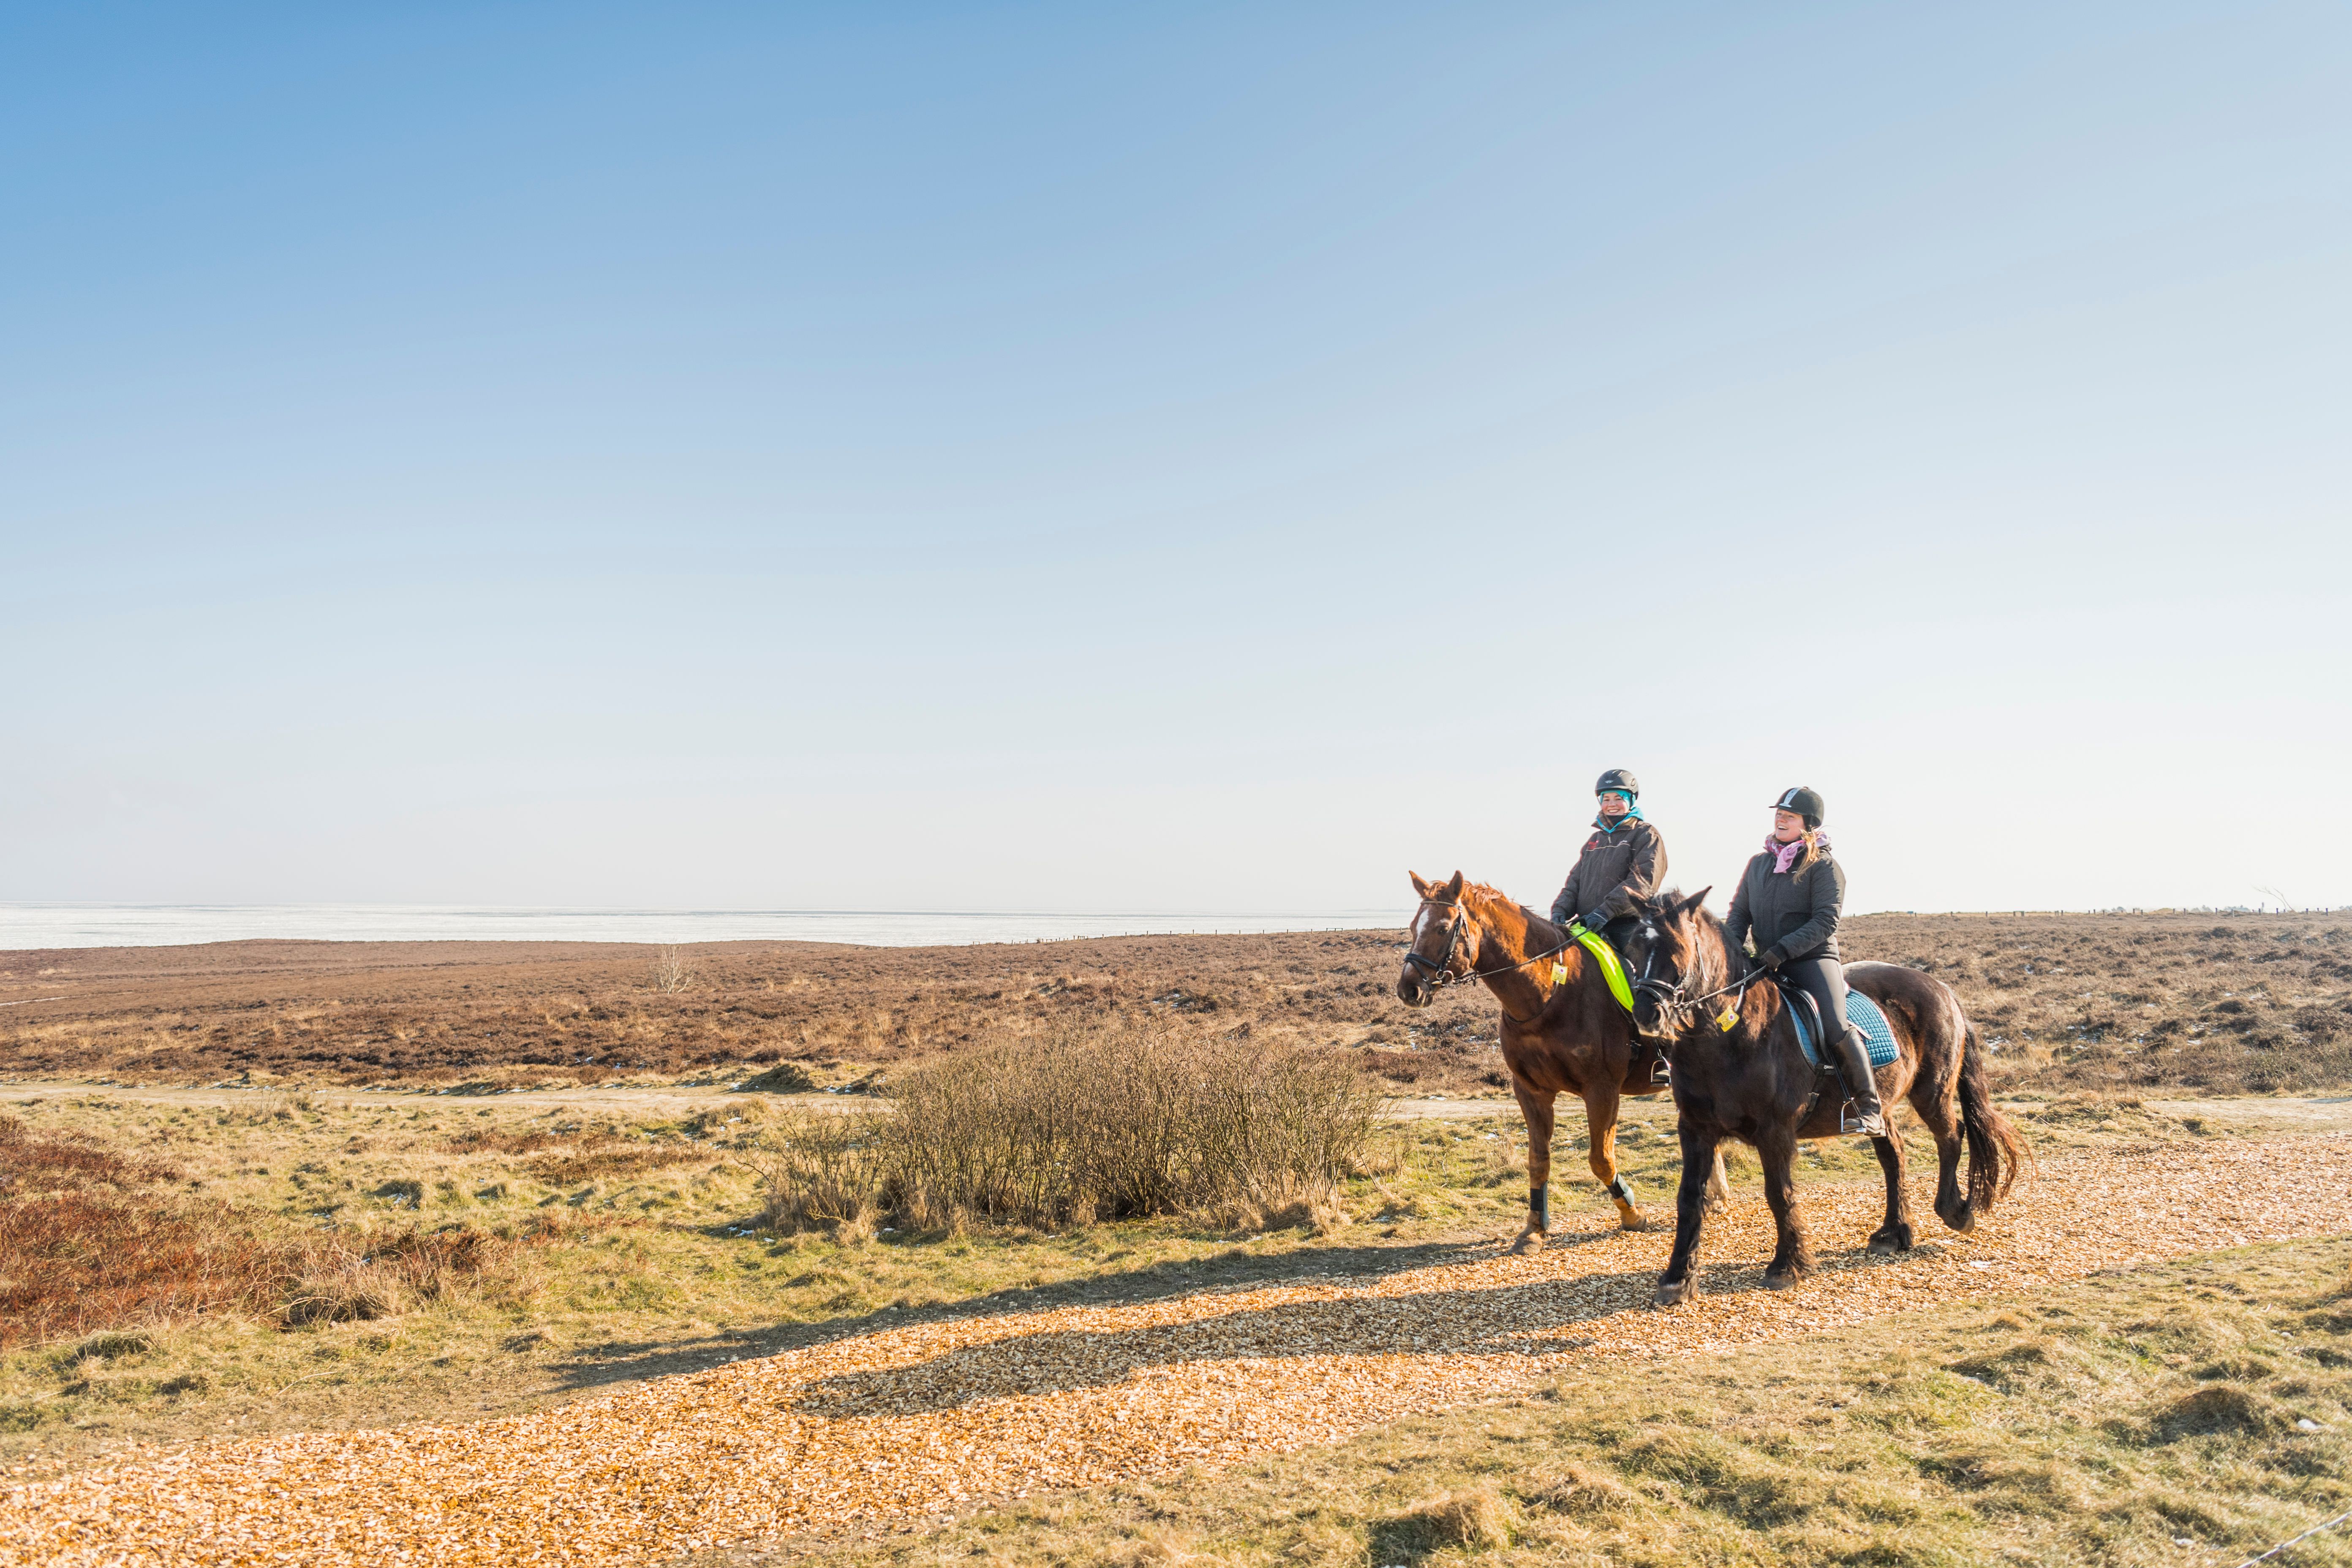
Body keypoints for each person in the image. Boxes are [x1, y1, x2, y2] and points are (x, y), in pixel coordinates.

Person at [1724, 786, 1887, 1137]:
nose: (1780, 819)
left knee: (1834, 1024)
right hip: (1764, 962)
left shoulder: (1824, 866)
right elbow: (1739, 913)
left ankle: (1869, 1106)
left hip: (1811, 961)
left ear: (1809, 825)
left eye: (1790, 815)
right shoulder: (1758, 864)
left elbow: (1826, 921)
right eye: (1778, 813)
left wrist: (1782, 951)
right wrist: (1729, 948)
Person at [1549, 770, 1670, 1086]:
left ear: (1631, 801)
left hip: (1628, 925)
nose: (1613, 803)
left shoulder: (1646, 835)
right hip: (1590, 926)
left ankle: (1661, 1053)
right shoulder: (1594, 840)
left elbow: (1643, 882)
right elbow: (1574, 881)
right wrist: (1561, 910)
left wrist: (1605, 911)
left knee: (1638, 981)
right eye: (1607, 798)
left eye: (1619, 798)